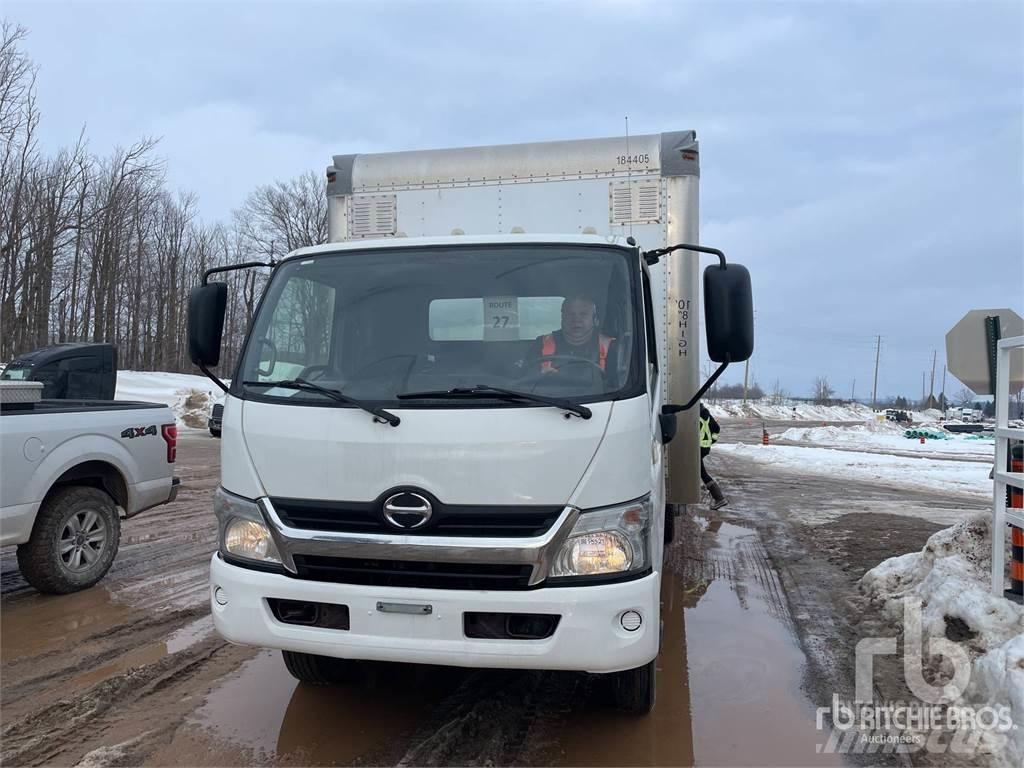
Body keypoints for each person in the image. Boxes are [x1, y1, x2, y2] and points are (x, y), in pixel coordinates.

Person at [529, 295, 616, 375]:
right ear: (562, 318)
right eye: (570, 314)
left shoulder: (611, 346)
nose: (576, 319)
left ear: (595, 320)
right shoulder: (541, 344)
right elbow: (525, 380)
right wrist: (539, 376)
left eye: (583, 314)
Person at [699, 403, 728, 509]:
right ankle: (719, 498)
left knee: (702, 473)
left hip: (697, 448)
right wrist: (712, 440)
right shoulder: (707, 415)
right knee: (699, 472)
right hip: (705, 448)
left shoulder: (694, 417)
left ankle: (719, 498)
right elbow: (716, 428)